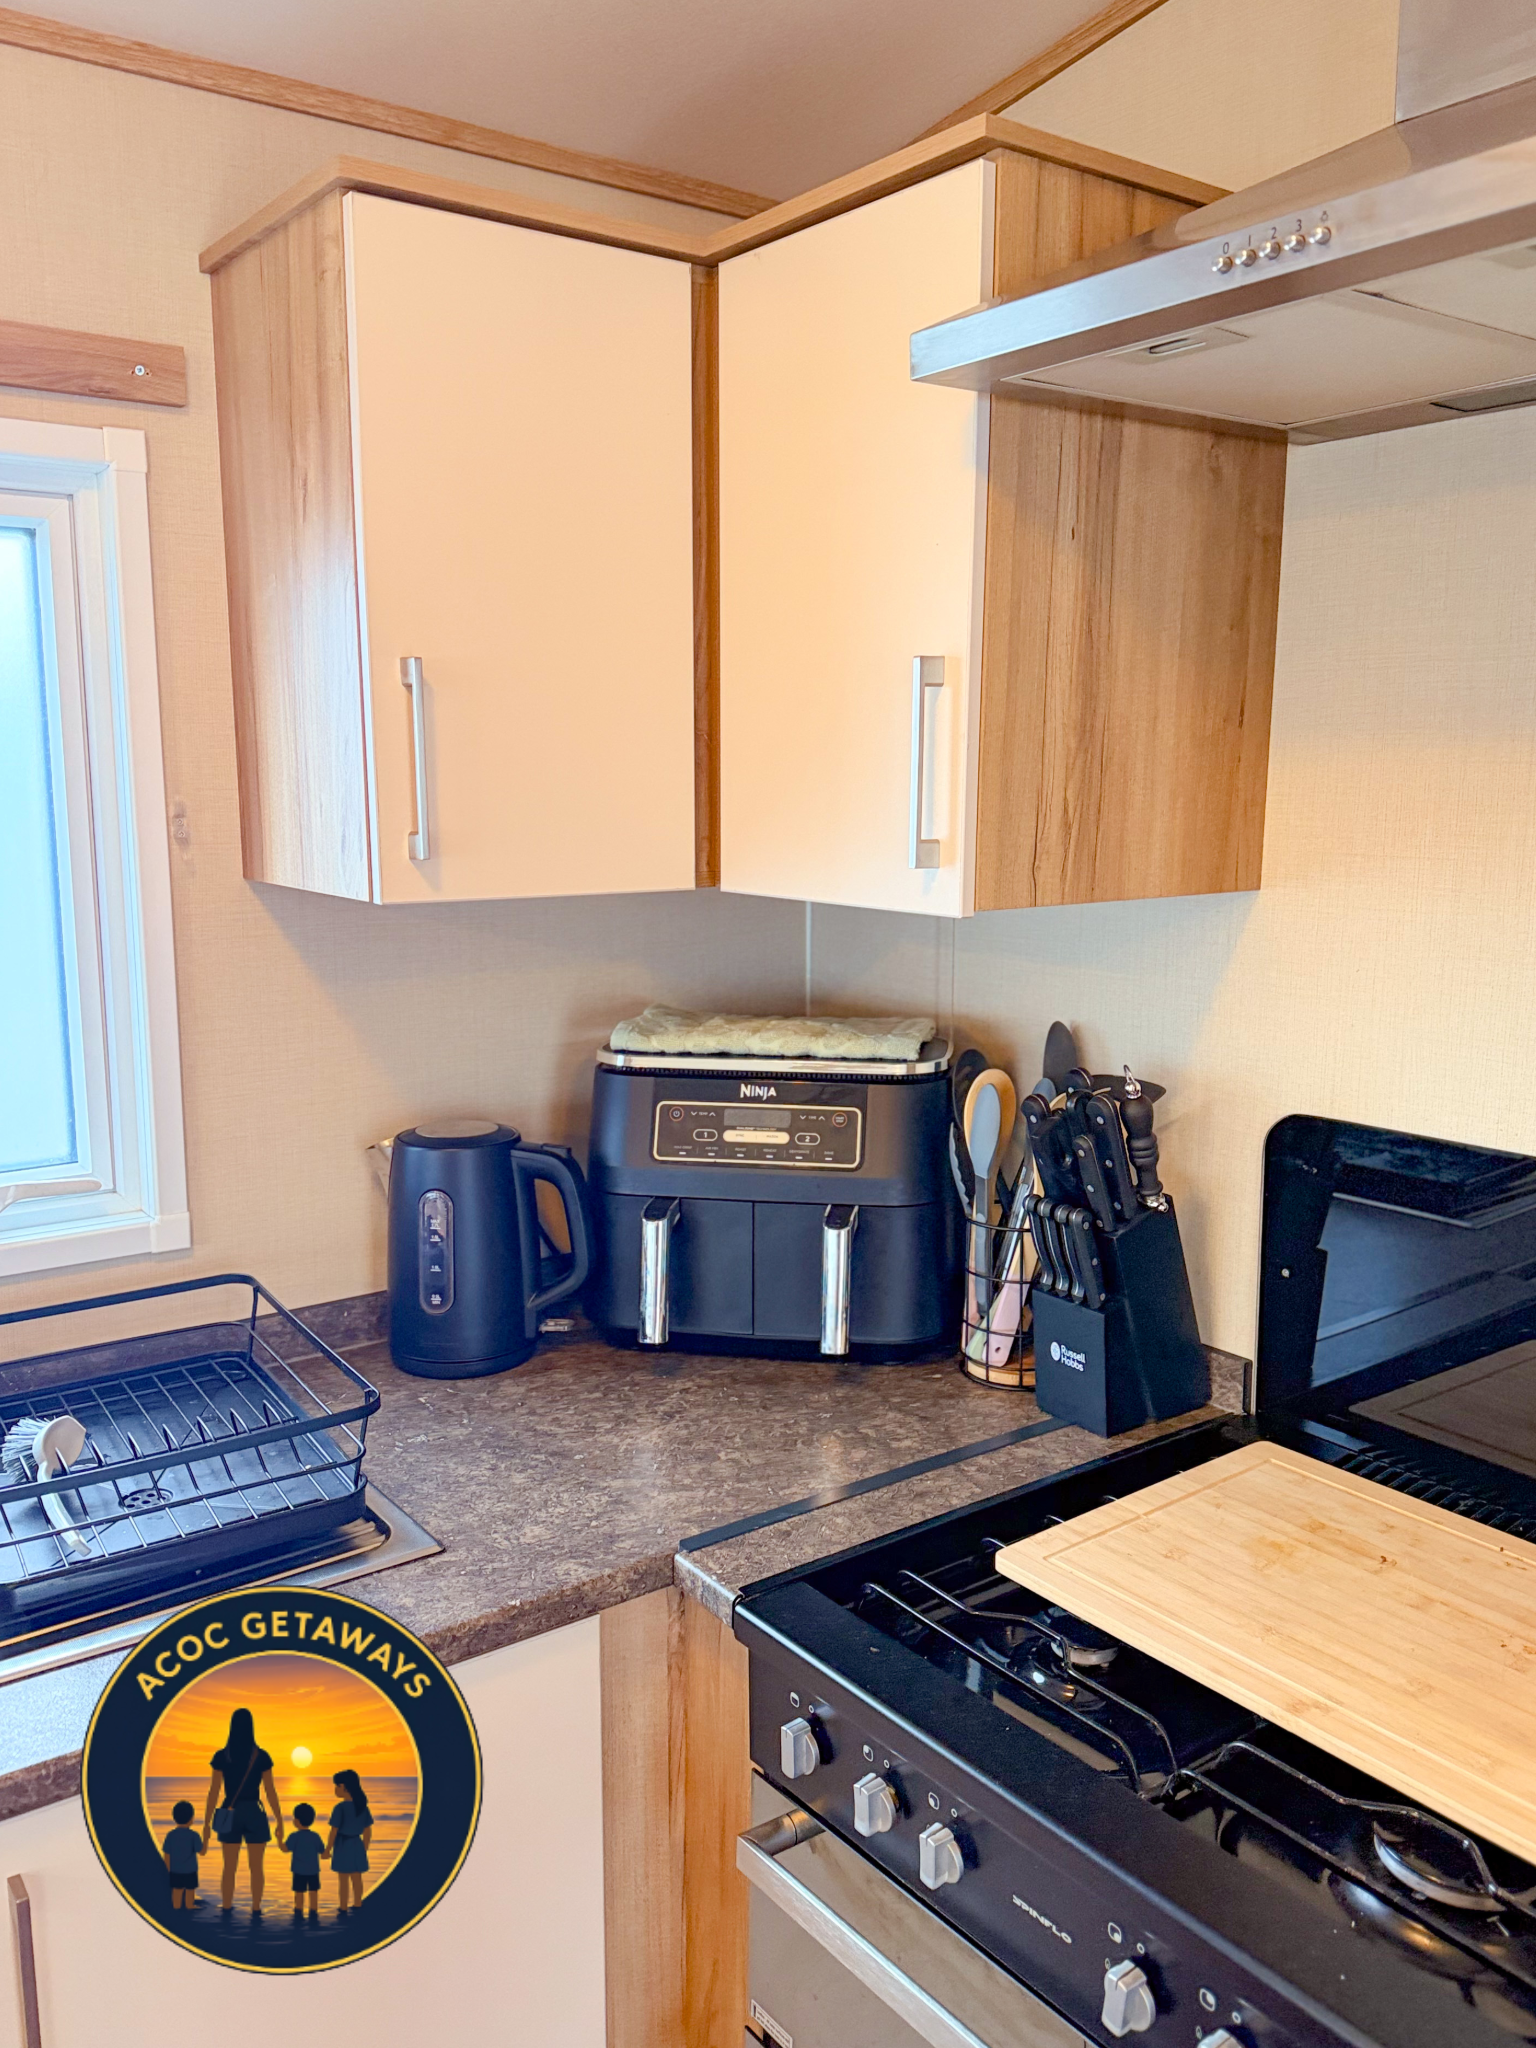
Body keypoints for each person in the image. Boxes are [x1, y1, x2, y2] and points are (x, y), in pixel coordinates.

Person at [201, 1707, 285, 1914]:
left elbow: (214, 1792)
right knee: (256, 1867)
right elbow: (270, 1791)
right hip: (254, 1813)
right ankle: (256, 1909)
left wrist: (206, 1822)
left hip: (230, 1812)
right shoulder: (261, 1756)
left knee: (229, 1867)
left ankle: (227, 1907)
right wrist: (280, 1820)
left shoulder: (222, 1756)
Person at [326, 1769, 373, 1913]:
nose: (335, 1789)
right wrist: (364, 1847)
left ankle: (343, 1906)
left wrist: (328, 1849)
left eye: (337, 1785)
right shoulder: (362, 1807)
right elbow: (367, 1830)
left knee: (343, 1880)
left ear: (345, 1787)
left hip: (343, 1844)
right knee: (357, 1877)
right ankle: (358, 1903)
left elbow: (333, 1831)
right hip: (357, 1844)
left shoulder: (340, 1808)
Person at [284, 1802, 325, 1918]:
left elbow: (285, 1849)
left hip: (299, 1871)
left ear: (297, 1820)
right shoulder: (315, 1836)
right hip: (313, 1870)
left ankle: (298, 1911)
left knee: (299, 1892)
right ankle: (313, 1911)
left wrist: (278, 1839)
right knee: (313, 1892)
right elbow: (322, 1851)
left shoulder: (294, 1836)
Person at [162, 1799, 203, 1911]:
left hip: (175, 1870)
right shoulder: (194, 1835)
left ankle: (176, 1907)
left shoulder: (170, 1835)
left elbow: (167, 1854)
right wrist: (206, 1839)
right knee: (190, 1890)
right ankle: (189, 1906)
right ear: (191, 1819)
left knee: (176, 1890)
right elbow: (201, 1851)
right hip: (190, 1870)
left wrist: (168, 1869)